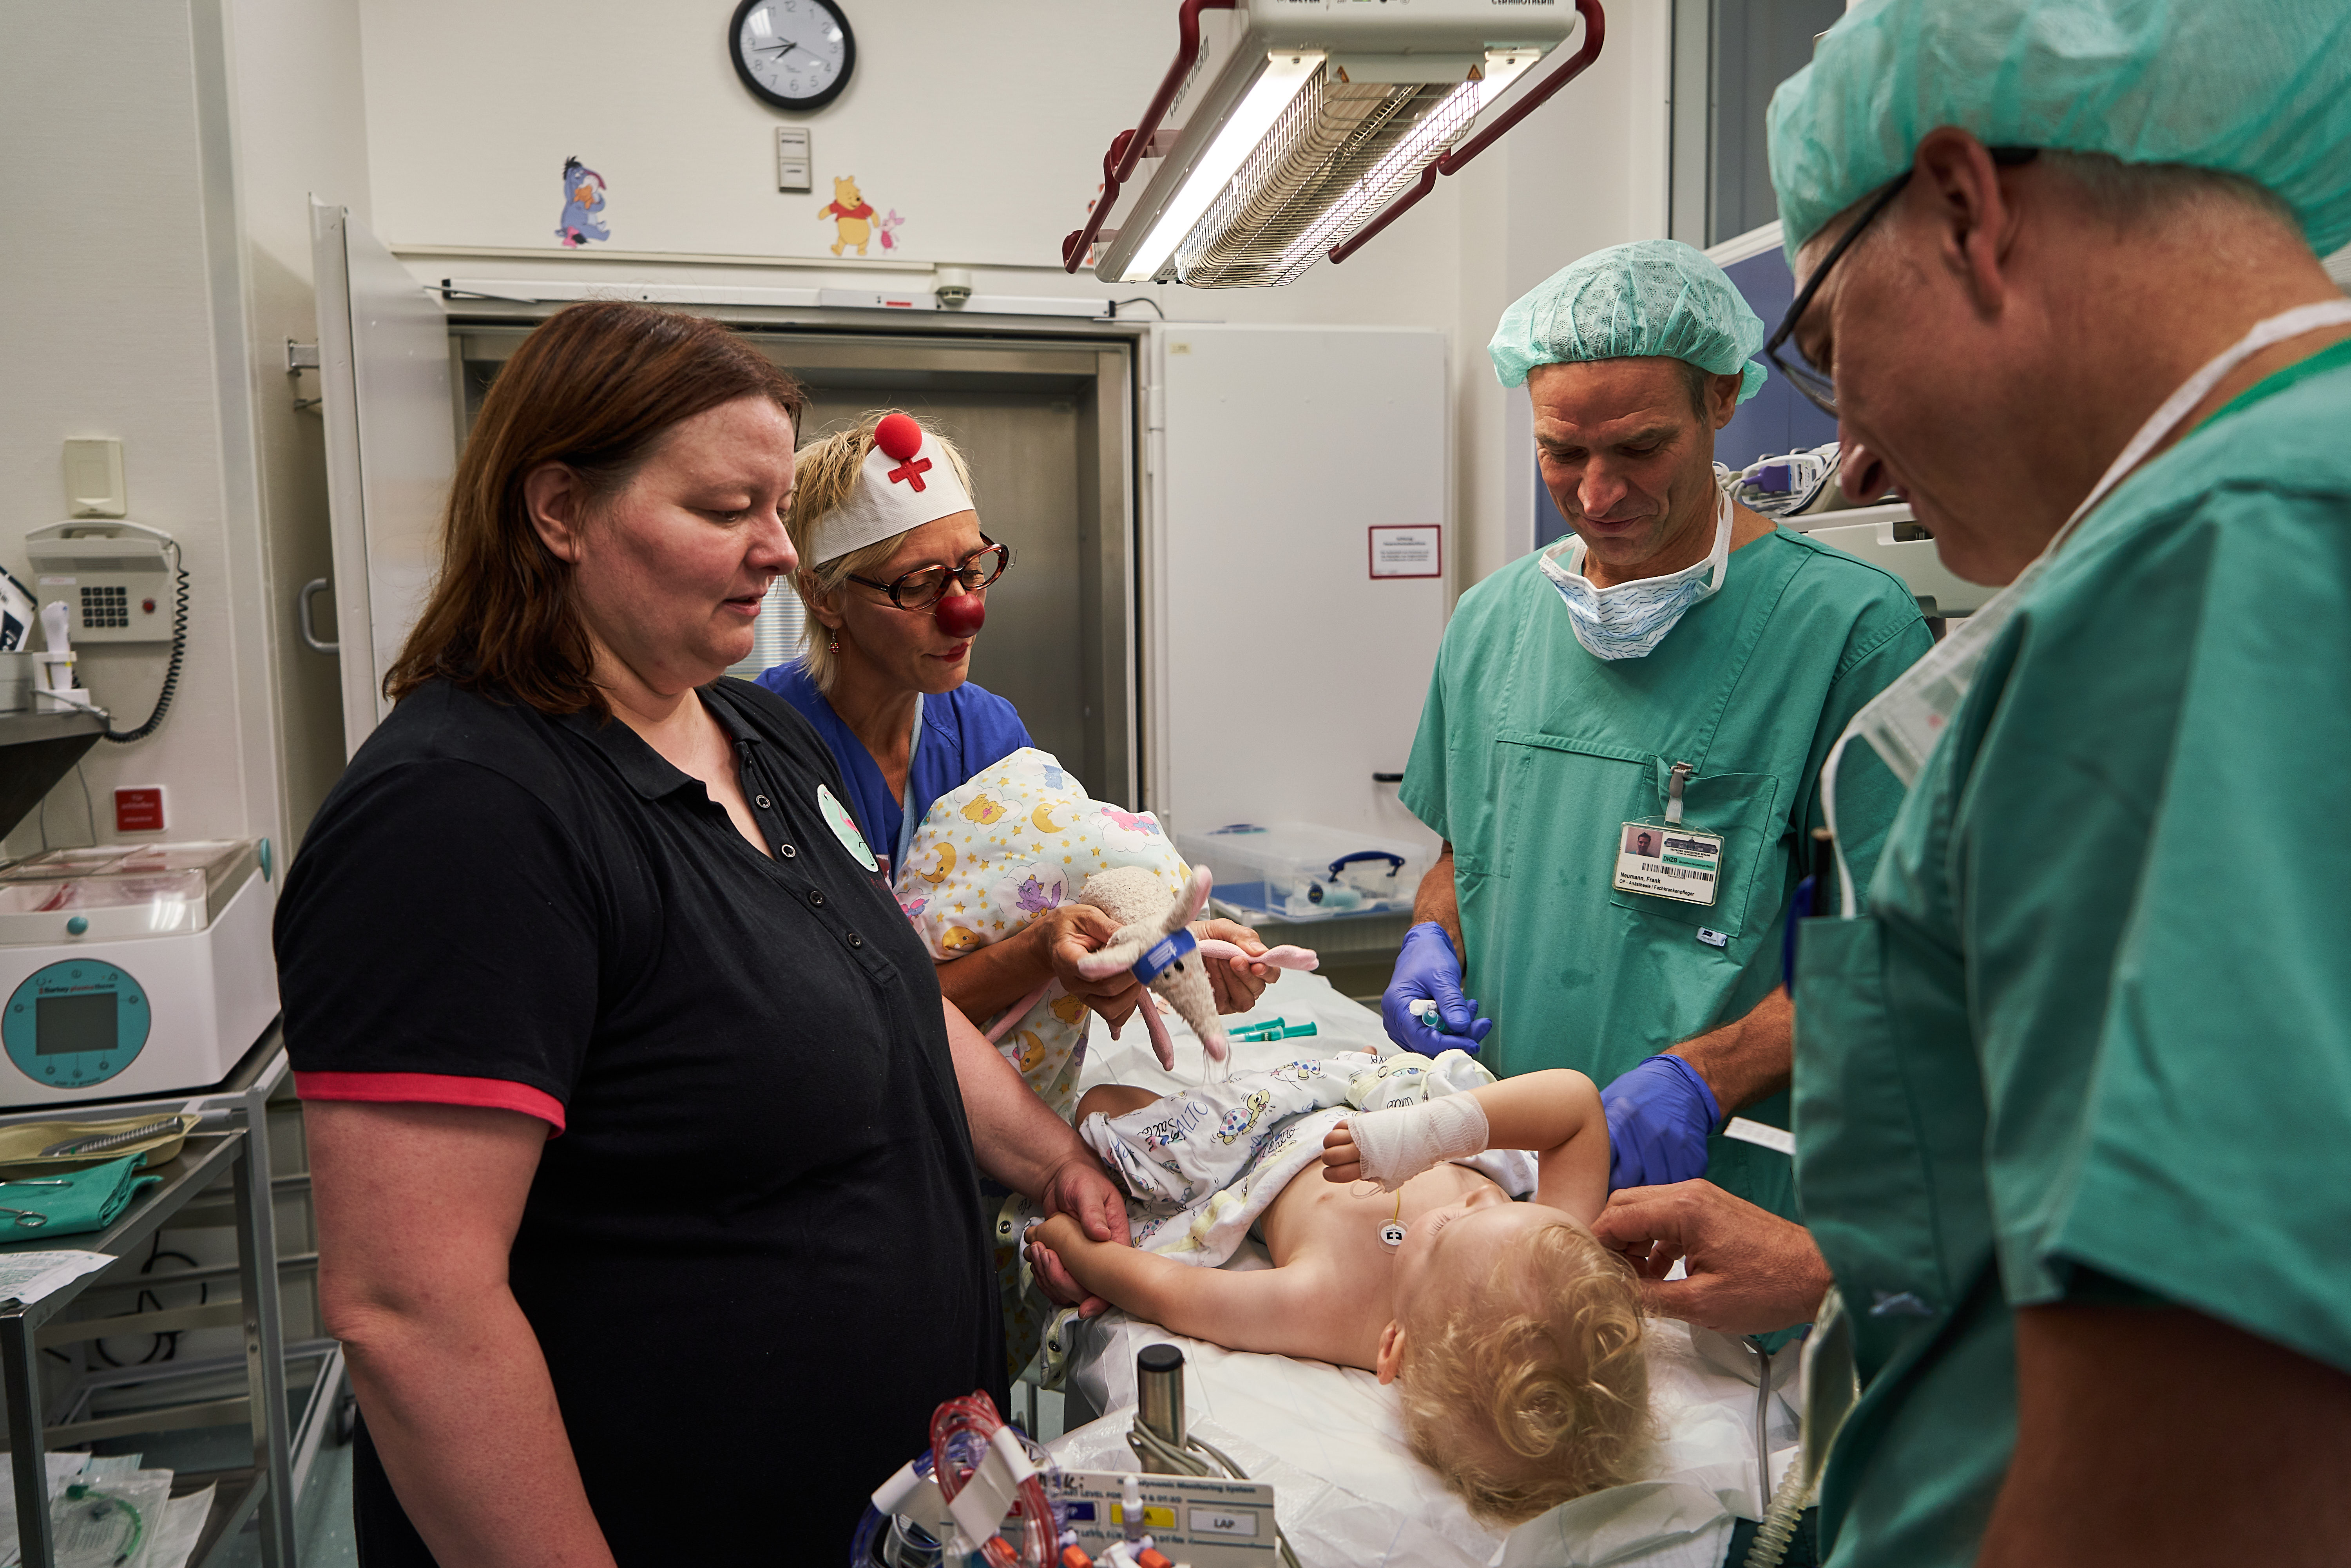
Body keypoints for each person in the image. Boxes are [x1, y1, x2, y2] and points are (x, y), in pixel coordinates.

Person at [1598, 5, 2351, 1564]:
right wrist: (1836, 1267)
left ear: (1968, 206)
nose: (1853, 450)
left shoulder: (2222, 566)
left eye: (1828, 346)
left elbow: (2209, 1448)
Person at [275, 302, 1128, 1565]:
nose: (780, 554)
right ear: (557, 511)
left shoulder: (757, 737)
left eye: (779, 510)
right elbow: (411, 1308)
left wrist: (1051, 1159)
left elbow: (895, 999)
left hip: (878, 1505)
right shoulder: (462, 816)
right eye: (728, 512)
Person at [1385, 240, 1933, 1220]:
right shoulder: (1490, 625)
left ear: (1721, 401)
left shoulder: (1849, 634)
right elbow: (1462, 853)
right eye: (1564, 452)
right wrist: (1432, 934)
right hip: (1502, 1186)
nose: (1598, 494)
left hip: (1718, 1198)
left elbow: (1898, 945)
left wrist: (1710, 1075)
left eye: (1639, 449)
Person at [758, 411, 1273, 1043]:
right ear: (823, 596)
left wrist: (1179, 947)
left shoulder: (987, 732)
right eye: (919, 586)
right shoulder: (762, 746)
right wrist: (1034, 953)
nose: (965, 613)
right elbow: (835, 1001)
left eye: (973, 569)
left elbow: (1071, 906)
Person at [1034, 1063, 1647, 1525]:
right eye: (1501, 1205)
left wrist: (1076, 1247)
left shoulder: (1326, 1306)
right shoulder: (1553, 1265)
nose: (1484, 1195)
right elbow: (1576, 1105)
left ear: (1393, 1346)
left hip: (1254, 1142)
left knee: (1101, 1107)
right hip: (1390, 1100)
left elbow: (1168, 1290)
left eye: (1449, 1227)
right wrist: (1427, 1133)